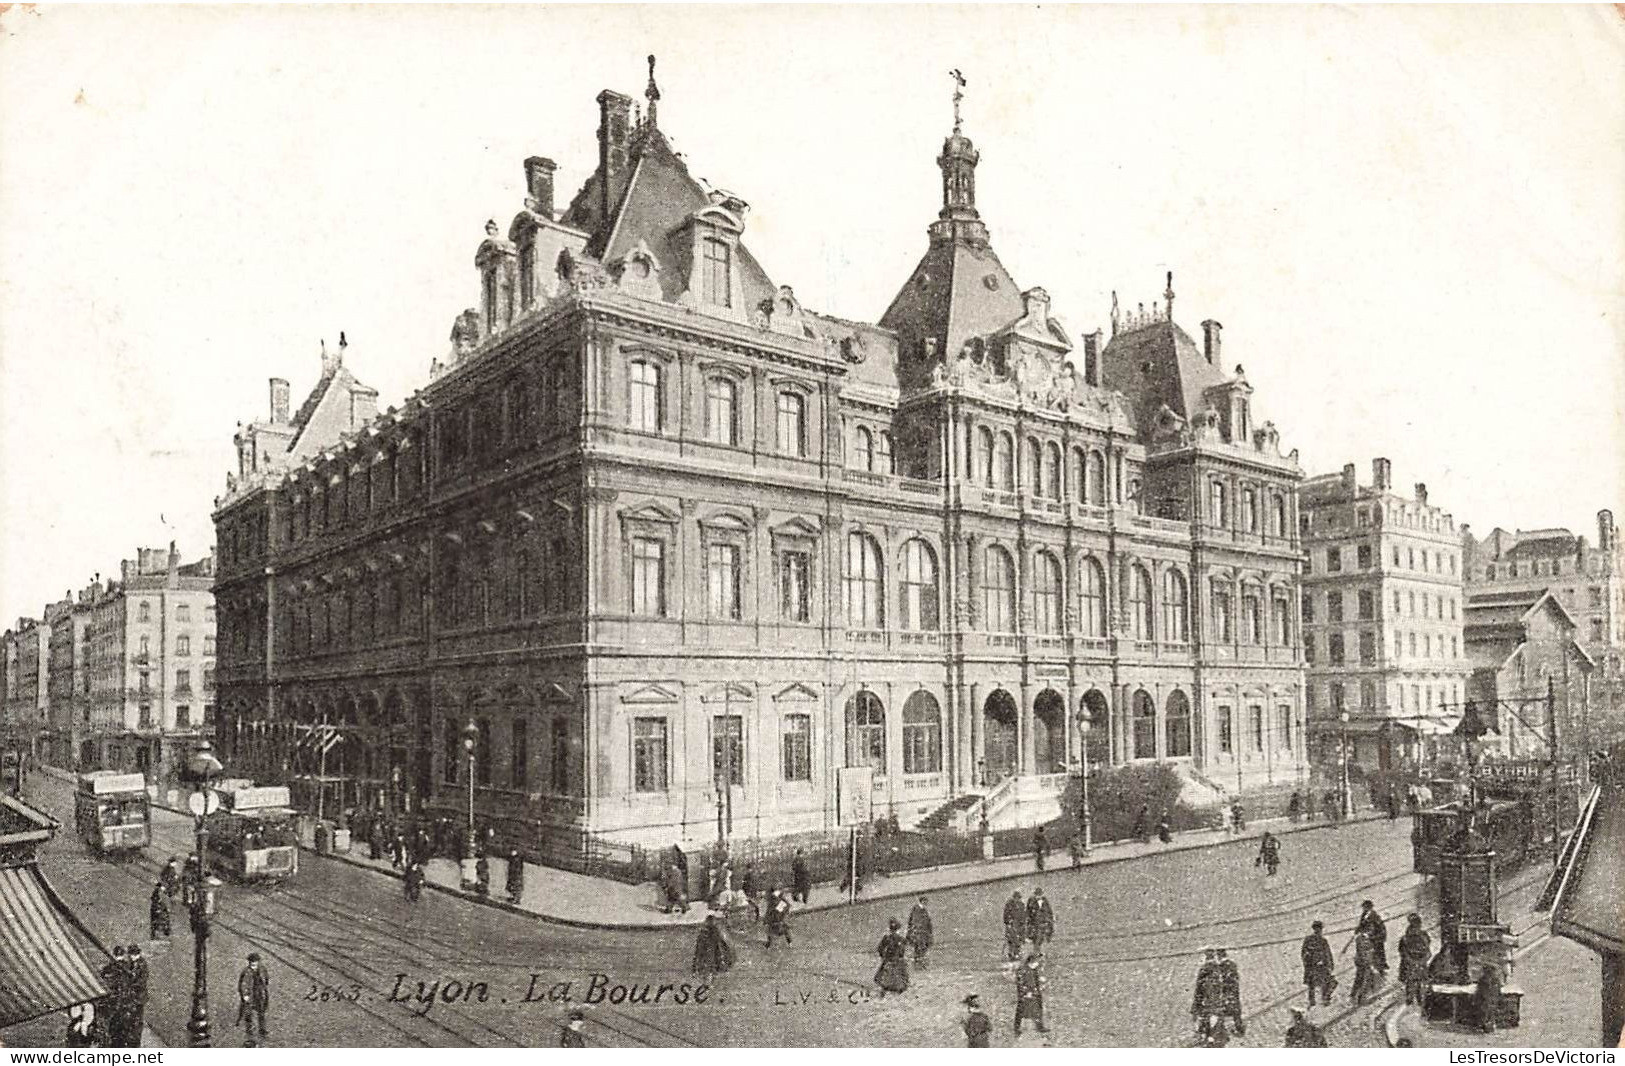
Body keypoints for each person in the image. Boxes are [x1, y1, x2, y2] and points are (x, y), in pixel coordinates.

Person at [237, 952, 271, 1046]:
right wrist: (245, 995)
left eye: (255, 963)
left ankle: (262, 1029)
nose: (253, 965)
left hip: (260, 994)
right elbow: (243, 984)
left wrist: (263, 989)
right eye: (252, 964)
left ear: (258, 962)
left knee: (262, 1012)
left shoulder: (262, 969)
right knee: (249, 1013)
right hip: (251, 994)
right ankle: (250, 1030)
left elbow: (266, 979)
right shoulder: (246, 971)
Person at [100, 946, 131, 1047]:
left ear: (114, 954)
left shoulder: (108, 968)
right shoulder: (128, 967)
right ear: (123, 954)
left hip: (112, 1001)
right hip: (125, 1000)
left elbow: (102, 980)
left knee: (111, 1025)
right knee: (124, 1027)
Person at [1191, 949, 1226, 1038]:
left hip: (1205, 993)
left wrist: (1198, 996)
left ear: (1206, 957)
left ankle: (1203, 1032)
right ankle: (1212, 1032)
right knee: (1214, 1012)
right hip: (1216, 993)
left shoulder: (1204, 968)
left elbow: (1199, 983)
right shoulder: (1218, 968)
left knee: (1202, 1012)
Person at [1398, 913, 1431, 1006]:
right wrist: (1413, 961)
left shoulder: (1424, 936)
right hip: (1411, 963)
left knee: (1418, 981)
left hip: (1418, 962)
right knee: (1411, 981)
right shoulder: (1405, 938)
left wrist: (1423, 960)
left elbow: (1428, 950)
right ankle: (1410, 998)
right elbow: (1403, 952)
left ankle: (1418, 998)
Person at [1301, 920, 1335, 1006]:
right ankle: (1324, 999)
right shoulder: (1322, 940)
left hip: (1311, 966)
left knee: (1312, 984)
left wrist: (1306, 963)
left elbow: (1303, 953)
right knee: (1327, 982)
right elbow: (1327, 953)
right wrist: (1330, 964)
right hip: (1320, 966)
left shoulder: (1308, 939)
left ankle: (1312, 1000)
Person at [1013, 952, 1048, 1035]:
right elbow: (1020, 983)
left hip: (1035, 994)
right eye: (1037, 961)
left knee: (1038, 1010)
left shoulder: (1033, 970)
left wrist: (1039, 987)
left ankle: (1040, 1026)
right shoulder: (1022, 970)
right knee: (1021, 1011)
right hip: (1026, 995)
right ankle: (1016, 1028)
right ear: (1031, 961)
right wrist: (1025, 992)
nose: (1038, 963)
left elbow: (1036, 981)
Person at [874, 917, 910, 996]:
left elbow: (880, 948)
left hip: (888, 960)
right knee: (899, 976)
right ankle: (897, 988)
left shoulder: (886, 938)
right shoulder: (901, 939)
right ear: (898, 929)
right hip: (898, 960)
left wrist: (883, 956)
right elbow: (902, 951)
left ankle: (887, 987)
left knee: (885, 975)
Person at [1216, 948, 1245, 1036]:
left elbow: (1221, 980)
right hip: (1234, 990)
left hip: (1225, 990)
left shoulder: (1221, 966)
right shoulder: (1233, 964)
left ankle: (1220, 1031)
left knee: (1220, 1009)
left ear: (1219, 956)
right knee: (1236, 1010)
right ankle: (1239, 1028)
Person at [1356, 899, 1389, 975]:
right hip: (1368, 937)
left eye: (1366, 907)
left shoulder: (1375, 916)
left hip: (1376, 937)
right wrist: (1359, 929)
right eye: (1364, 907)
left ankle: (1381, 969)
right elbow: (1362, 925)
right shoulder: (1364, 915)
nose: (1365, 909)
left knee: (1378, 953)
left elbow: (1380, 927)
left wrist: (1378, 936)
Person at [1347, 928, 1377, 1005]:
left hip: (1363, 961)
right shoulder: (1362, 938)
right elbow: (1363, 951)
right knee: (1364, 979)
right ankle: (1360, 997)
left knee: (1361, 978)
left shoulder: (1362, 938)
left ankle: (1355, 995)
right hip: (1363, 961)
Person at [125, 945, 148, 1045]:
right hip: (133, 996)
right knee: (132, 1017)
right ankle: (132, 1037)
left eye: (132, 955)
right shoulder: (132, 963)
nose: (130, 957)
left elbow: (142, 981)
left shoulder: (142, 964)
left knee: (138, 1018)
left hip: (139, 996)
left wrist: (131, 985)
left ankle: (136, 1039)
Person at [1474, 960, 1504, 1034]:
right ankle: (1488, 1025)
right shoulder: (1495, 980)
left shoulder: (1483, 980)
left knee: (1485, 1012)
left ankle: (1484, 1025)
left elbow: (1479, 991)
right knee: (1489, 1012)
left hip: (1486, 1000)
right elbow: (1499, 991)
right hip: (1490, 1000)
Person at [907, 895, 934, 963]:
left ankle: (920, 961)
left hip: (924, 933)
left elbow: (928, 921)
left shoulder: (924, 910)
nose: (926, 903)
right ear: (922, 901)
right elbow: (914, 921)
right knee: (919, 947)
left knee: (923, 947)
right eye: (925, 902)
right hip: (919, 933)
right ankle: (918, 961)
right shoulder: (916, 909)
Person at [1002, 890, 1028, 961]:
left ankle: (1017, 953)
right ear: (1013, 897)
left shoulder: (1021, 905)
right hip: (1011, 924)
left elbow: (1024, 915)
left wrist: (1023, 922)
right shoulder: (1009, 904)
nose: (1017, 899)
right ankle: (1011, 953)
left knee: (1018, 940)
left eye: (1018, 898)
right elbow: (1005, 914)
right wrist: (1008, 922)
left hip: (1019, 925)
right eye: (1016, 898)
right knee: (1011, 940)